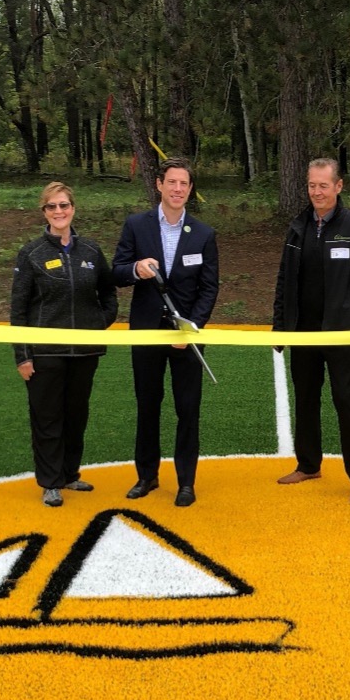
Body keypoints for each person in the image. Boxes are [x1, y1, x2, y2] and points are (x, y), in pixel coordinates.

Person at [271, 158, 350, 504]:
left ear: (338, 186)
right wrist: (280, 327)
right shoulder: (297, 227)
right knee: (305, 399)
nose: (316, 192)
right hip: (303, 332)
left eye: (323, 185)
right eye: (311, 185)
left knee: (347, 402)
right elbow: (284, 280)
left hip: (342, 334)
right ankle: (308, 464)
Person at [112, 158, 219, 507]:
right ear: (159, 184)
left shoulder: (203, 234)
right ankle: (147, 477)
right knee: (148, 406)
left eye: (183, 184)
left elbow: (209, 288)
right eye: (171, 182)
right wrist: (135, 269)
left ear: (190, 189)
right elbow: (115, 272)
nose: (177, 189)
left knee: (188, 409)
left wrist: (191, 327)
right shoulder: (136, 226)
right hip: (145, 333)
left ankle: (186, 482)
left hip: (184, 336)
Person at [10, 181, 118, 507]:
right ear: (44, 212)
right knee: (47, 418)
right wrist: (22, 356)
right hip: (45, 354)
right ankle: (50, 482)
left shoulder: (91, 251)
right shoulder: (31, 253)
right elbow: (18, 308)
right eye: (52, 207)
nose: (59, 212)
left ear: (73, 208)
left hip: (85, 353)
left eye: (64, 205)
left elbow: (108, 293)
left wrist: (99, 323)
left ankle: (70, 474)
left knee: (76, 416)